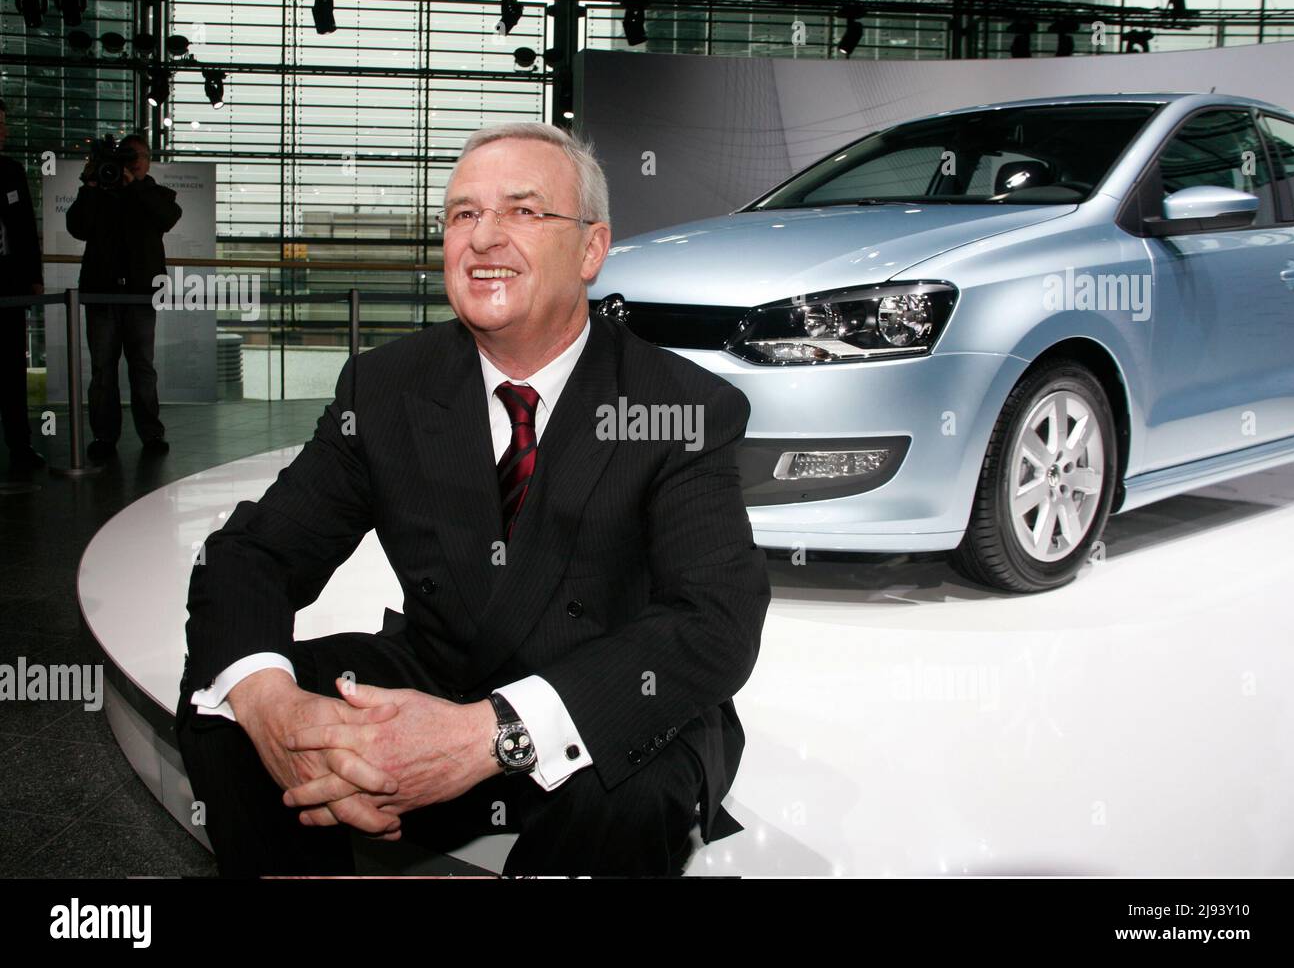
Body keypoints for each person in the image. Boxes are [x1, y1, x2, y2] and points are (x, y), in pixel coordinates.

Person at [176, 122, 770, 877]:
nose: (484, 238)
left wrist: (490, 735)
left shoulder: (678, 403)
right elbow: (253, 552)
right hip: (442, 672)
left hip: (604, 702)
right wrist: (273, 709)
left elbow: (715, 620)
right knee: (224, 702)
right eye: (462, 214)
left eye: (523, 211)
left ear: (591, 249)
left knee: (627, 800)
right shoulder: (387, 386)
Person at [65, 133, 180, 460]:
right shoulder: (101, 192)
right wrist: (90, 185)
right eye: (126, 159)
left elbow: (167, 217)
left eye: (137, 158)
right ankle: (104, 437)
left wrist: (133, 185)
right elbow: (77, 227)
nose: (132, 164)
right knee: (103, 369)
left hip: (141, 295)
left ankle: (152, 434)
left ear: (148, 161)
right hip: (102, 293)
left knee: (142, 366)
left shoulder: (153, 193)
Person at [0, 98, 45, 474]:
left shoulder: (12, 171)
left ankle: (20, 444)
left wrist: (34, 278)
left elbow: (25, 230)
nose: (3, 131)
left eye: (3, 123)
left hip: (9, 287)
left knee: (13, 369)